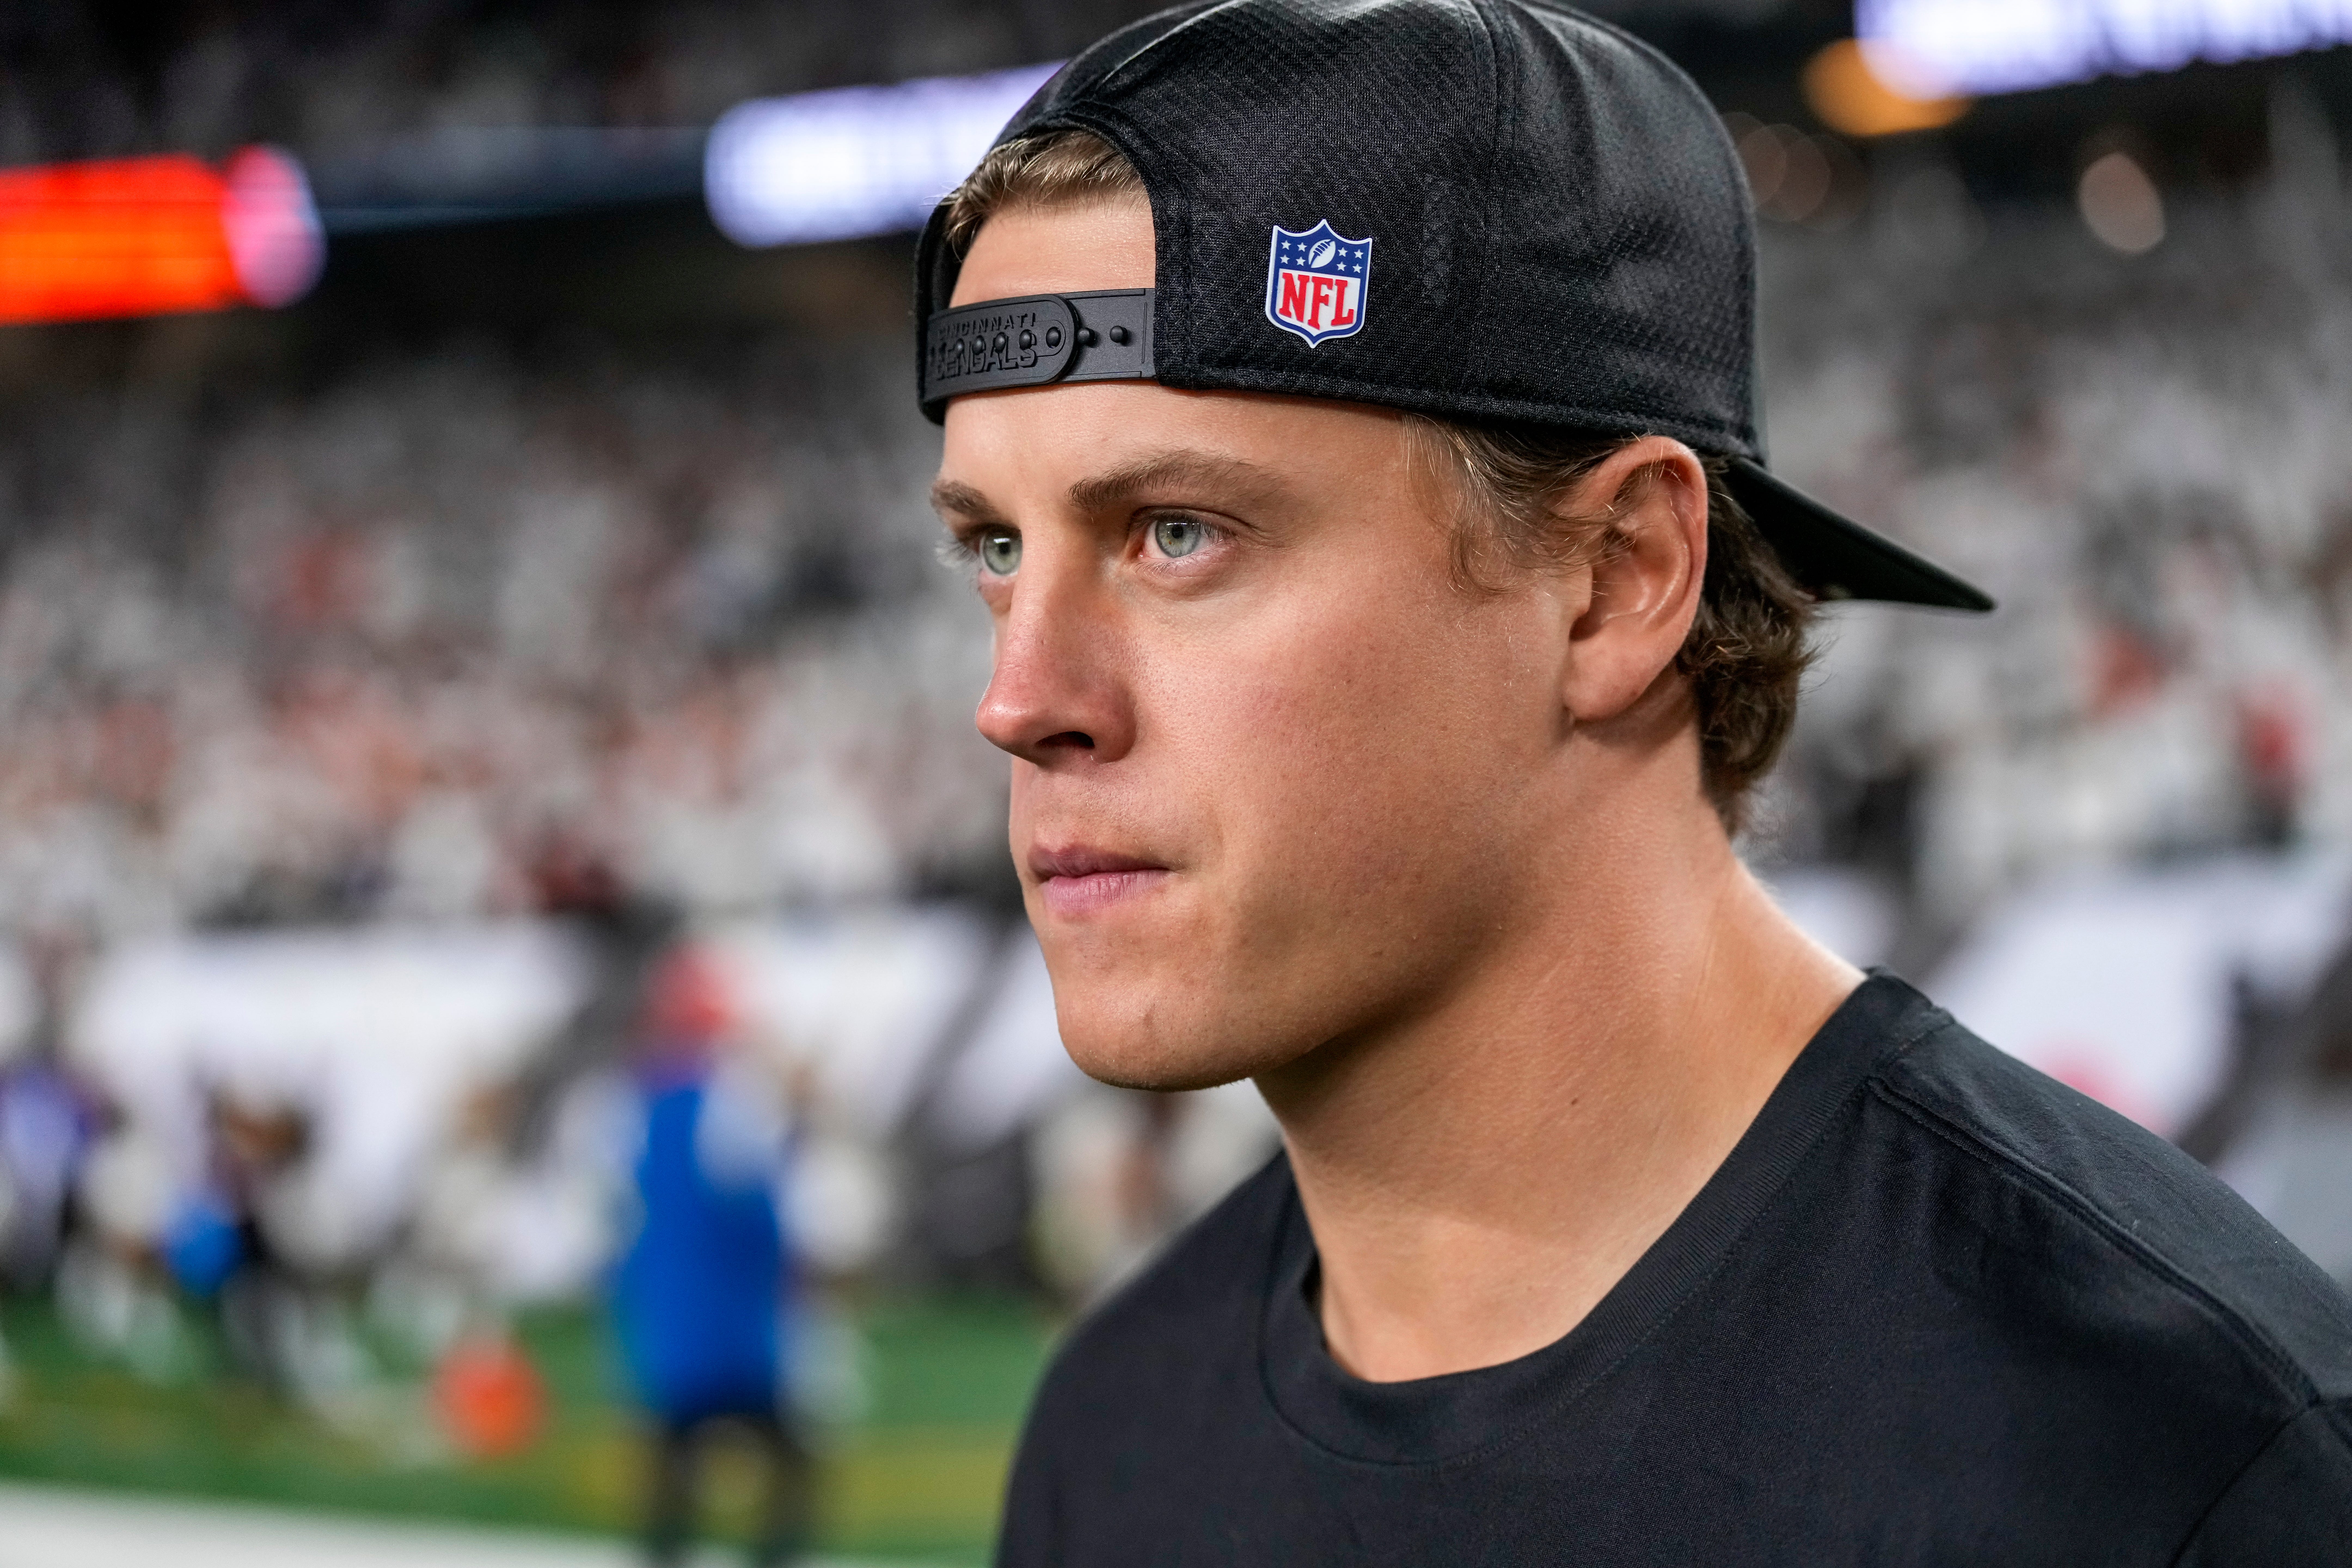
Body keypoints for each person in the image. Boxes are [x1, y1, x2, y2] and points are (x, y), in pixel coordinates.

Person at [912, 1, 2352, 1561]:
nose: (1018, 698)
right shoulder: (1115, 1437)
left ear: (1615, 580)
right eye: (994, 548)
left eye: (1175, 532)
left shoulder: (2175, 1460)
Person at [611, 946, 811, 1567]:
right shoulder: (730, 1102)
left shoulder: (629, 1107)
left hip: (670, 1319)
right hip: (735, 1325)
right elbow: (758, 1205)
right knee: (789, 1464)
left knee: (672, 1469)